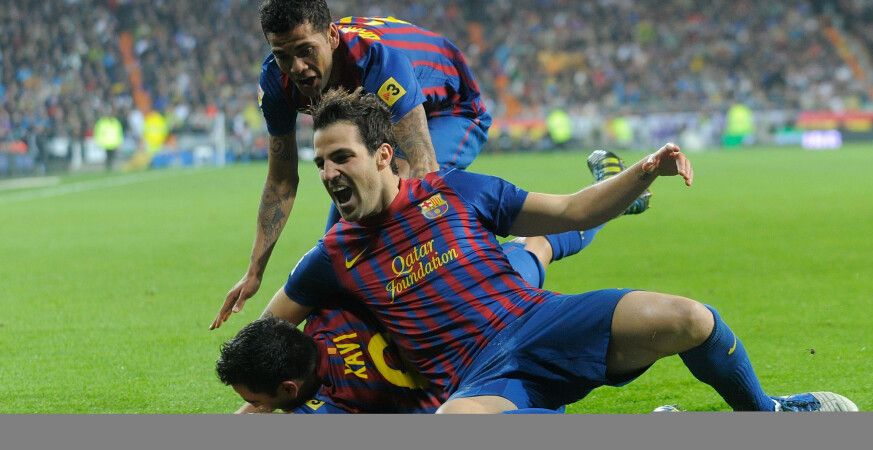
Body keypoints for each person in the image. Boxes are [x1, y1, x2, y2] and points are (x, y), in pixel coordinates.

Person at [258, 87, 856, 413]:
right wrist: (251, 405)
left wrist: (644, 172)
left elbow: (572, 210)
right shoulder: (332, 255)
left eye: (341, 158)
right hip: (478, 378)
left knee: (691, 319)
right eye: (321, 162)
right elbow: (265, 340)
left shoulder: (456, 192)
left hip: (539, 319)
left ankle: (771, 415)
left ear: (384, 156)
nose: (328, 174)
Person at [210, 0, 646, 329]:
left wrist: (436, 272)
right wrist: (255, 271)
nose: (297, 68)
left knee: (369, 235)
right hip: (384, 129)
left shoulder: (377, 61)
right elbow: (282, 181)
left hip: (449, 112)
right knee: (344, 248)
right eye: (283, 55)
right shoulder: (277, 80)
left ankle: (608, 198)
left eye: (306, 51)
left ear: (332, 36)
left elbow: (423, 170)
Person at [218, 239, 562, 414]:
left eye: (253, 400)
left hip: (488, 372)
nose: (252, 407)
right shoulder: (328, 313)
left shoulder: (336, 407)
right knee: (536, 246)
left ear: (290, 389)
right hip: (466, 304)